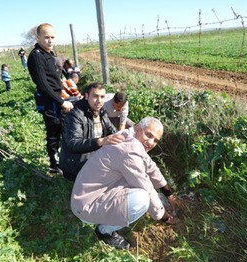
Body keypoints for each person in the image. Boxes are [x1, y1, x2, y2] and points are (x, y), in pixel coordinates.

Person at [70, 117, 185, 250]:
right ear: (137, 128)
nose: (151, 142)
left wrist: (169, 194)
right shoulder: (129, 150)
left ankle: (106, 217)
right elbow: (146, 187)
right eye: (149, 135)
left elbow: (150, 167)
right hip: (85, 207)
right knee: (142, 199)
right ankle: (104, 231)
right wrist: (164, 216)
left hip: (89, 194)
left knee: (136, 182)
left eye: (155, 140)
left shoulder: (128, 137)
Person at [27, 23, 74, 174]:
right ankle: (54, 165)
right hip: (50, 101)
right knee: (54, 132)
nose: (50, 40)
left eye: (52, 37)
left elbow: (52, 77)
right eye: (46, 37)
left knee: (62, 129)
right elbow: (42, 85)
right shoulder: (37, 56)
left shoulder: (49, 54)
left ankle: (64, 159)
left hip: (57, 97)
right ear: (38, 37)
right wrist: (61, 101)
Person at [59, 82, 125, 181]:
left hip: (93, 162)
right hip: (76, 167)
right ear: (86, 96)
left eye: (102, 97)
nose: (99, 101)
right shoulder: (75, 115)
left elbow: (113, 132)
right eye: (95, 96)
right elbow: (73, 144)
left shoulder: (102, 113)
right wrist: (101, 141)